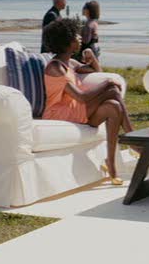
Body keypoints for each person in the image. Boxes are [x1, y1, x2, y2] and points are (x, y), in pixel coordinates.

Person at [42, 18, 133, 185]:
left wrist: (92, 56)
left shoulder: (70, 63)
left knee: (113, 107)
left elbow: (97, 71)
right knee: (112, 90)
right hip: (60, 113)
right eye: (75, 35)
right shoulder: (55, 67)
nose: (79, 37)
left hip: (77, 110)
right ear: (67, 41)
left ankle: (111, 163)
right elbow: (81, 97)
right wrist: (107, 83)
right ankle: (133, 140)